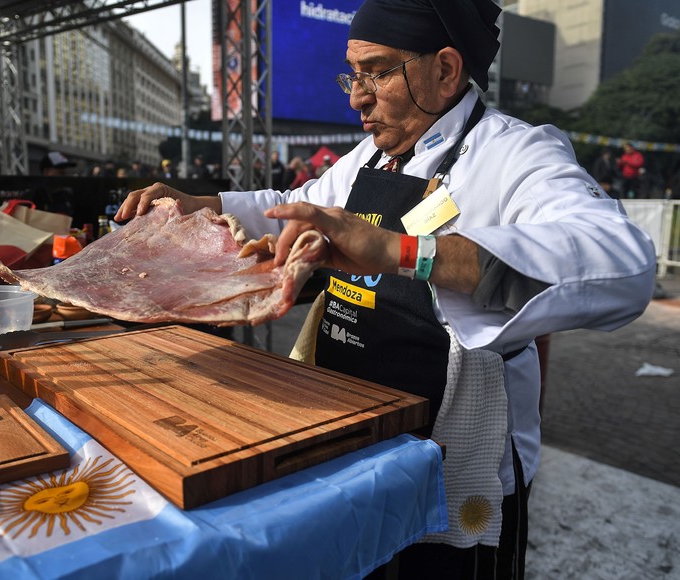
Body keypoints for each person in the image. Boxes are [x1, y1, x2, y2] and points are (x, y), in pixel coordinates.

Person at [115, 0, 656, 578]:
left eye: (376, 73)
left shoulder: (515, 153)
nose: (357, 98)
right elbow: (294, 204)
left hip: (451, 447)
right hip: (356, 430)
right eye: (353, 75)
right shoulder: (371, 155)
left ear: (445, 69)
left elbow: (621, 262)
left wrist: (405, 252)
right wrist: (202, 204)